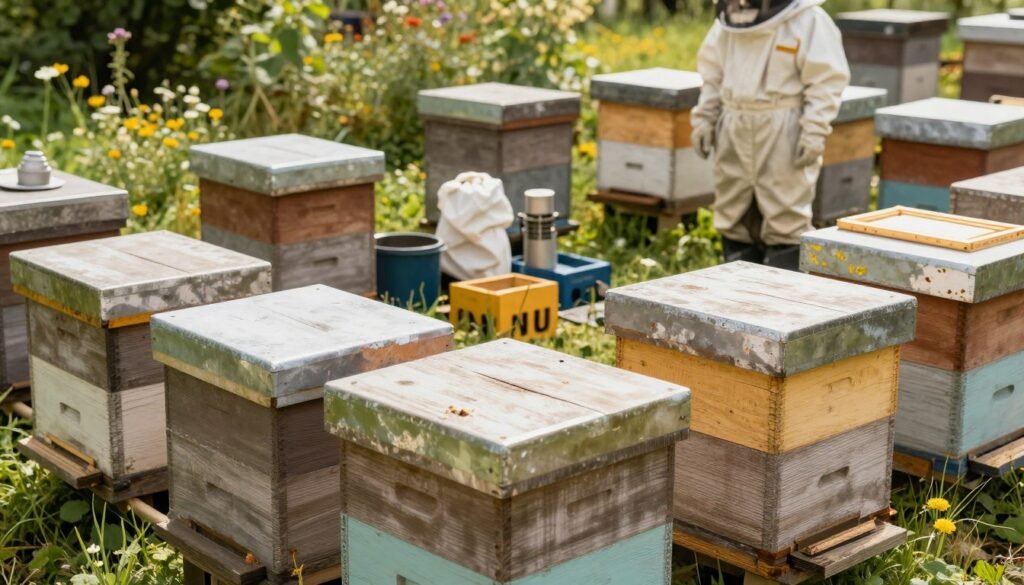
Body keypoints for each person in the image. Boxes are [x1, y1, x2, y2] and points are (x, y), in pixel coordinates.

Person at [691, 0, 850, 270]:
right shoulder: (729, 20)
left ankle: (782, 294)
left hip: (784, 126)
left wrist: (813, 131)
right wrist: (704, 118)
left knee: (786, 214)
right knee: (733, 213)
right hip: (733, 121)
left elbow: (826, 81)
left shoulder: (808, 20)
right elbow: (712, 76)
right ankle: (735, 291)